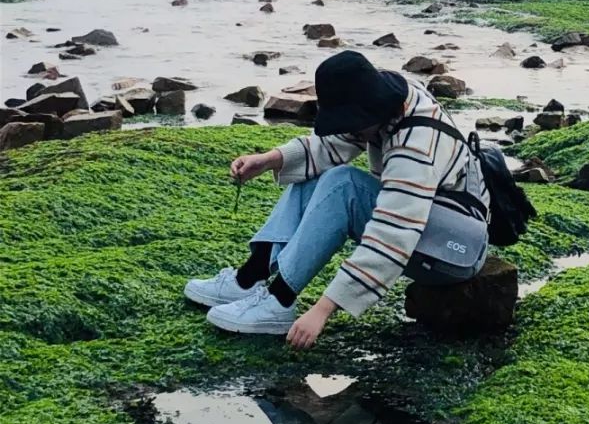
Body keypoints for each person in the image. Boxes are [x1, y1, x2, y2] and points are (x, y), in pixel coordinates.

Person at [184, 50, 489, 349]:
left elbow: (393, 236)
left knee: (343, 184)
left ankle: (280, 300)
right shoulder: (387, 102)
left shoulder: (415, 148)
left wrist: (322, 310)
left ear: (367, 113)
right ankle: (249, 278)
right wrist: (269, 160)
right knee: (319, 173)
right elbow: (330, 147)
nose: (344, 129)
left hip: (451, 252)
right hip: (429, 227)